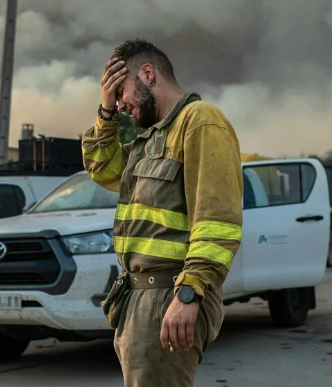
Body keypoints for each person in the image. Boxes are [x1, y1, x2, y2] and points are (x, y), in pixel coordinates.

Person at [81, 38, 244, 387]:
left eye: (120, 91)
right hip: (139, 300)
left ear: (148, 74)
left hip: (169, 297)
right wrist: (106, 112)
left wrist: (189, 293)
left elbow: (217, 223)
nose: (121, 103)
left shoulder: (200, 121)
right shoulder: (151, 138)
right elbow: (102, 168)